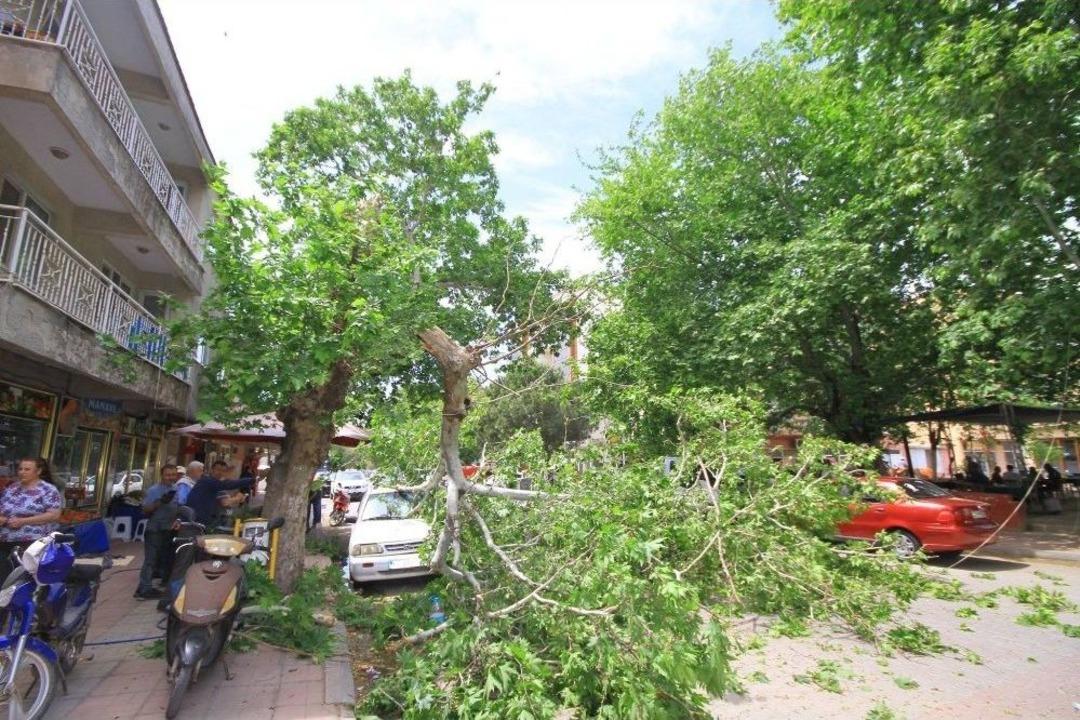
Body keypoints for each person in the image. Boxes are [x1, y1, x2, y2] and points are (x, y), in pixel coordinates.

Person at [0, 458, 63, 580]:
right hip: (5, 539)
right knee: (4, 576)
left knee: (22, 578)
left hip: (32, 542)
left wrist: (23, 521)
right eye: (20, 469)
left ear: (38, 471)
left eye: (27, 469)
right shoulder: (11, 489)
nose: (22, 472)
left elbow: (54, 515)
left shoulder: (48, 490)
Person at [134, 465, 181, 600]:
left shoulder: (175, 488)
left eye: (173, 474)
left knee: (161, 560)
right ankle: (144, 589)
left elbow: (177, 506)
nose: (171, 477)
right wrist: (159, 502)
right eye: (168, 475)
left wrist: (177, 519)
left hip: (169, 528)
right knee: (151, 560)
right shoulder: (154, 490)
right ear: (162, 475)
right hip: (155, 529)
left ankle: (145, 586)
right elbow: (145, 510)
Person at [184, 460, 252, 529]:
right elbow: (228, 485)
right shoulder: (208, 481)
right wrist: (251, 480)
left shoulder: (213, 483)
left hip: (202, 518)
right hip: (199, 520)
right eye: (218, 469)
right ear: (211, 470)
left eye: (223, 471)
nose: (220, 473)